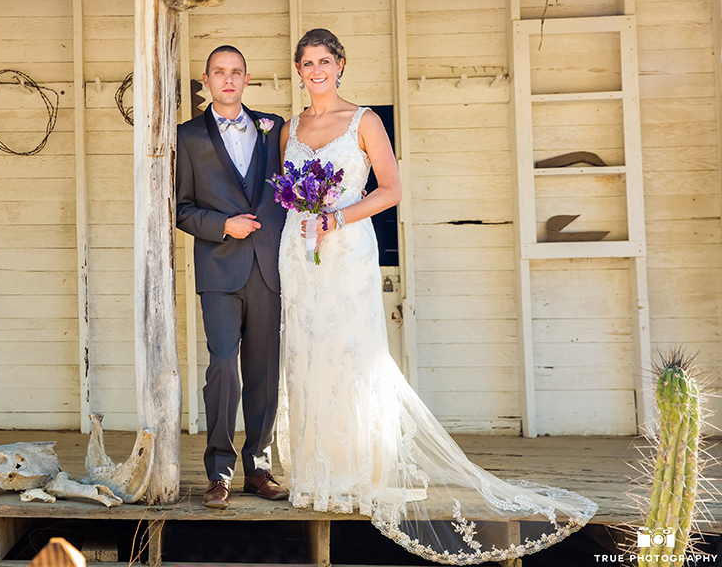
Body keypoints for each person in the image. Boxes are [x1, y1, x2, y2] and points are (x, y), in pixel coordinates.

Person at [275, 29, 597, 564]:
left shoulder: (365, 122)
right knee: (306, 354)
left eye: (324, 61)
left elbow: (391, 189)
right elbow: (285, 192)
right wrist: (306, 218)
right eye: (307, 62)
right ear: (298, 69)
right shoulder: (291, 127)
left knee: (351, 354)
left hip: (347, 247)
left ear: (341, 65)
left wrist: (337, 215)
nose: (316, 70)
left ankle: (358, 470)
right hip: (299, 251)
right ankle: (314, 474)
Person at [175, 45, 289, 509]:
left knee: (263, 369)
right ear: (206, 80)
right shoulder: (187, 137)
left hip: (267, 265)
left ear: (246, 78)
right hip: (220, 269)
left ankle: (258, 469)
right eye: (219, 72)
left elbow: (291, 187)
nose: (228, 79)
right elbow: (180, 209)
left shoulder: (273, 127)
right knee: (223, 364)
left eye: (236, 72)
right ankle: (219, 472)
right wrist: (223, 225)